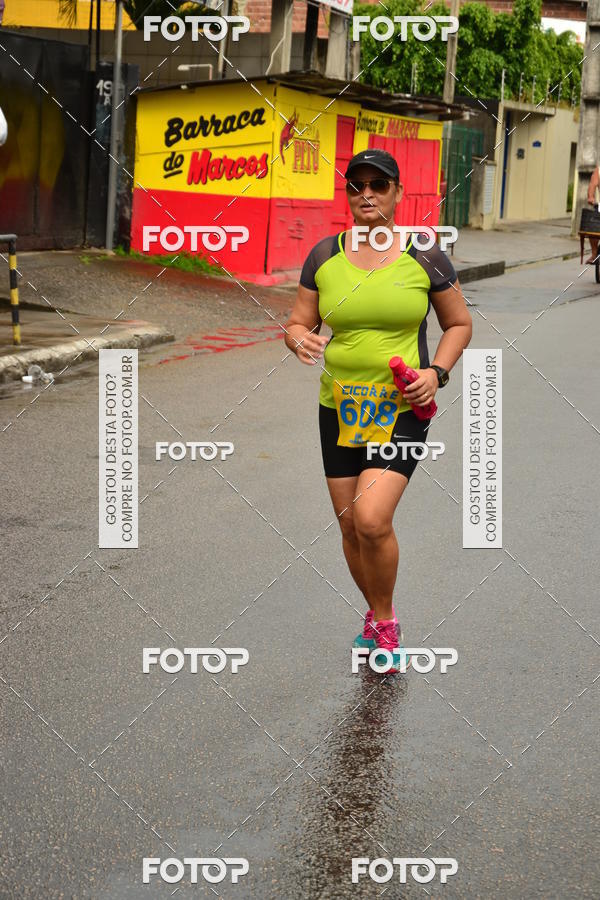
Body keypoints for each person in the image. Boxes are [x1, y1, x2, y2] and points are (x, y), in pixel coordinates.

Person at [284, 149, 472, 673]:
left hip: (403, 406)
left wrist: (436, 372)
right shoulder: (325, 255)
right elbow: (299, 322)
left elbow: (459, 324)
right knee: (349, 526)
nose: (366, 193)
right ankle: (374, 613)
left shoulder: (426, 255)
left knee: (371, 518)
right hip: (339, 406)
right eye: (356, 184)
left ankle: (386, 623)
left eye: (378, 184)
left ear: (398, 193)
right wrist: (298, 339)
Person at [585, 164, 600, 264]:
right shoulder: (599, 171)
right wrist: (591, 196)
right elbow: (592, 185)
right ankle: (594, 254)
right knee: (592, 228)